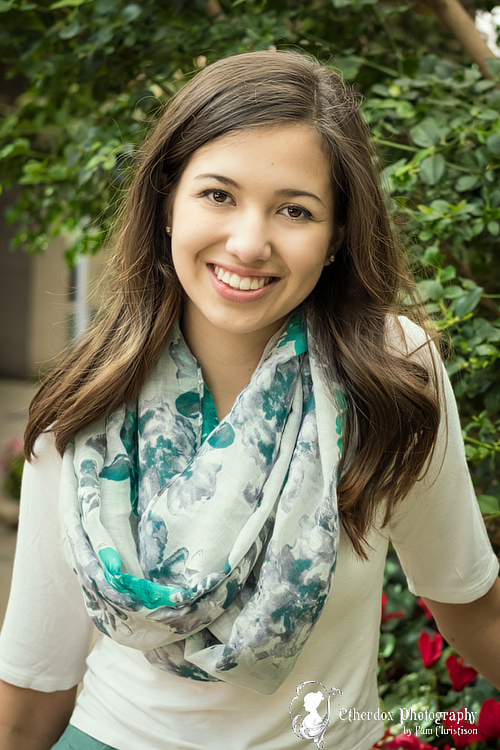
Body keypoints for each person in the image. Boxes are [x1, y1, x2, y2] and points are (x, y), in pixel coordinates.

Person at [0, 50, 498, 750]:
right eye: (218, 195)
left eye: (295, 209)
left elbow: (474, 607)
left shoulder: (390, 372)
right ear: (167, 202)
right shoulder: (87, 401)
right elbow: (33, 683)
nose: (248, 242)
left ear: (336, 239)